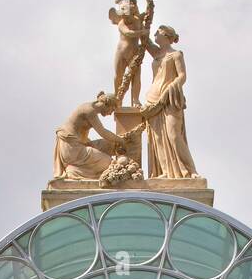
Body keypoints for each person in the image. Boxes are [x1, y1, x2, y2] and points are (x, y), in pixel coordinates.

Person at [142, 26, 200, 180]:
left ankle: (191, 170)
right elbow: (144, 38)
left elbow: (182, 76)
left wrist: (170, 88)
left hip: (170, 98)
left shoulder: (176, 54)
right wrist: (142, 20)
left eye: (158, 32)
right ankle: (165, 171)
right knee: (158, 137)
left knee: (174, 135)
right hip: (153, 98)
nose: (155, 34)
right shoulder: (156, 53)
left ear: (167, 36)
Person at [52, 93, 128, 181]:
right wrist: (120, 140)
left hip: (76, 145)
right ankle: (74, 171)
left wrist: (118, 141)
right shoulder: (89, 111)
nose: (111, 113)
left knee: (110, 145)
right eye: (112, 109)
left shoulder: (91, 108)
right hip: (72, 150)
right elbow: (103, 132)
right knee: (108, 163)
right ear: (107, 104)